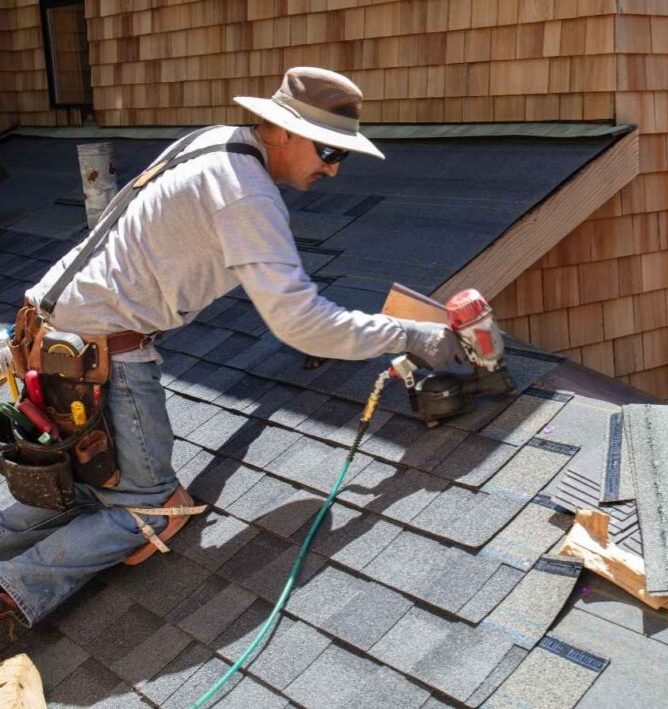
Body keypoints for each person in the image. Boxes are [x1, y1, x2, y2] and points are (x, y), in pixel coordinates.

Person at [0, 67, 465, 630]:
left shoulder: (214, 140)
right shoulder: (246, 193)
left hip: (44, 334)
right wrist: (415, 336)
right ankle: (13, 593)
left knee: (79, 487)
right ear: (282, 131)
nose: (333, 169)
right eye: (326, 150)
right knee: (152, 509)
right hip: (100, 350)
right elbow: (301, 323)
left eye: (342, 156)